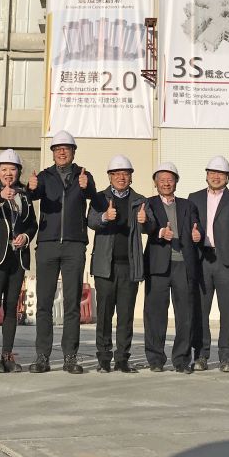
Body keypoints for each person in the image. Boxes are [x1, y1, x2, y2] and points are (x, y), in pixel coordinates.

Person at [26, 130, 108, 374]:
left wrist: (89, 189)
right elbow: (33, 195)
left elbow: (99, 204)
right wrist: (30, 189)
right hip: (48, 244)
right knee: (44, 303)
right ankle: (42, 356)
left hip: (74, 244)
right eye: (57, 148)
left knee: (72, 303)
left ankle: (70, 357)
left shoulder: (84, 175)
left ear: (73, 152)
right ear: (52, 153)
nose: (62, 152)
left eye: (66, 148)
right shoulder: (44, 176)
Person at [188, 155, 229, 372]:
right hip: (202, 259)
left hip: (228, 262)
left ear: (227, 177)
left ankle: (226, 356)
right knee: (200, 310)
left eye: (221, 174)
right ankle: (201, 355)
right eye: (212, 173)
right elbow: (188, 223)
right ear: (206, 175)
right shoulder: (193, 198)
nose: (216, 177)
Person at [0, 149, 37, 373]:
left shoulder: (24, 194)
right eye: (4, 169)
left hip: (17, 257)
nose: (9, 173)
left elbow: (32, 223)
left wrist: (26, 236)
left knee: (12, 306)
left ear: (18, 172)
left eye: (13, 169)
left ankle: (7, 354)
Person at [86, 155, 147, 374]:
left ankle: (122, 359)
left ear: (131, 177)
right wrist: (105, 216)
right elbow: (91, 221)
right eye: (117, 174)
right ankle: (103, 359)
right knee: (103, 315)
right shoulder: (100, 198)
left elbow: (151, 223)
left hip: (129, 266)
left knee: (126, 315)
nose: (121, 177)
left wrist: (145, 221)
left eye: (125, 174)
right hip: (105, 266)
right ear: (110, 177)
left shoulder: (140, 200)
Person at [143, 162, 202, 374]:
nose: (166, 183)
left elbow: (197, 228)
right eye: (162, 180)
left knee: (185, 315)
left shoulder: (188, 205)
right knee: (155, 314)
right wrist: (159, 232)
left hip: (183, 265)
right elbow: (146, 225)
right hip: (158, 265)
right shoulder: (148, 204)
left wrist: (197, 235)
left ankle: (182, 360)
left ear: (176, 182)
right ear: (156, 183)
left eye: (170, 179)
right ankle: (156, 358)